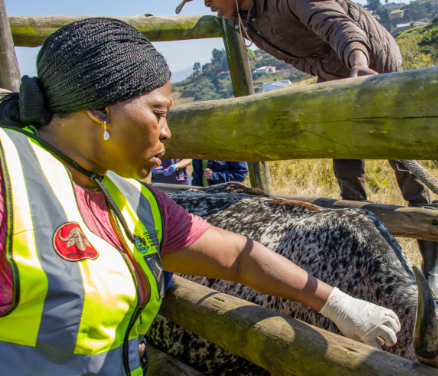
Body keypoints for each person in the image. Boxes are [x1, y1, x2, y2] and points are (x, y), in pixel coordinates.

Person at [0, 18, 401, 376]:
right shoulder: (8, 178)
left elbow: (238, 256)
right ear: (102, 111)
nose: (167, 131)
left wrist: (337, 303)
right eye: (158, 113)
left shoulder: (132, 199)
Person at [177, 0, 438, 304]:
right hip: (332, 71)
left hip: (370, 63)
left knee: (403, 162)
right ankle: (365, 259)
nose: (206, 3)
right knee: (346, 165)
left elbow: (339, 26)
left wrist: (359, 63)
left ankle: (432, 268)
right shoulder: (239, 19)